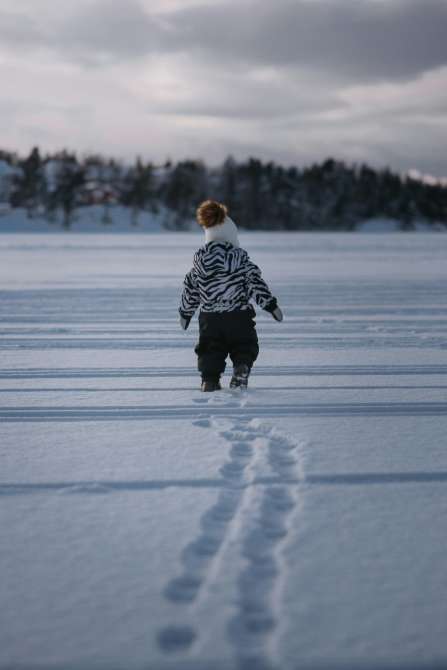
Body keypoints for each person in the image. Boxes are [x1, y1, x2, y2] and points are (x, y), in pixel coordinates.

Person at [178, 200, 283, 391]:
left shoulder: (198, 267)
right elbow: (255, 285)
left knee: (210, 349)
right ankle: (241, 368)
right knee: (244, 344)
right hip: (239, 315)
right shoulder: (241, 263)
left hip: (210, 318)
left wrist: (185, 313)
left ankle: (209, 380)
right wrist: (270, 305)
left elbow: (190, 291)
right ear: (232, 236)